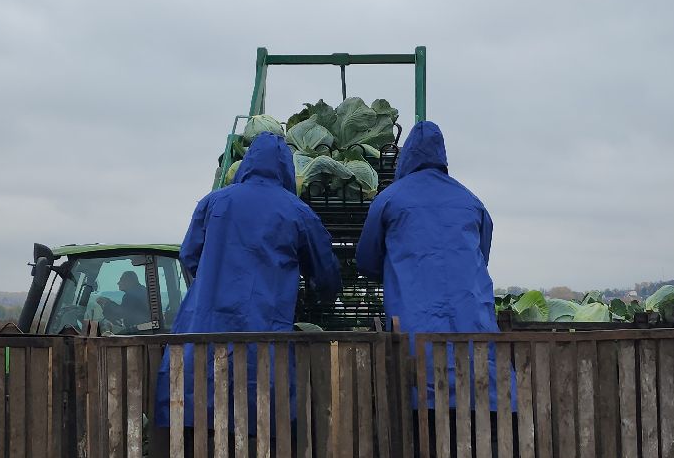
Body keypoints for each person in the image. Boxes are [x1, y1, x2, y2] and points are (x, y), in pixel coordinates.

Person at [171, 131, 341, 333]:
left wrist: (214, 279)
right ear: (286, 167)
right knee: (261, 364)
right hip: (265, 333)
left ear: (248, 162)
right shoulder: (298, 212)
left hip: (204, 332)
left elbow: (189, 255)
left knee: (203, 364)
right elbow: (324, 271)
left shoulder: (214, 202)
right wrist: (324, 295)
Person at [356, 120, 496, 334]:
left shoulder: (388, 200)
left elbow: (367, 260)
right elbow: (482, 257)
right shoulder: (472, 202)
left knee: (416, 366)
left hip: (412, 328)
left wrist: (397, 271)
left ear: (407, 157)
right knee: (477, 366)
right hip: (474, 327)